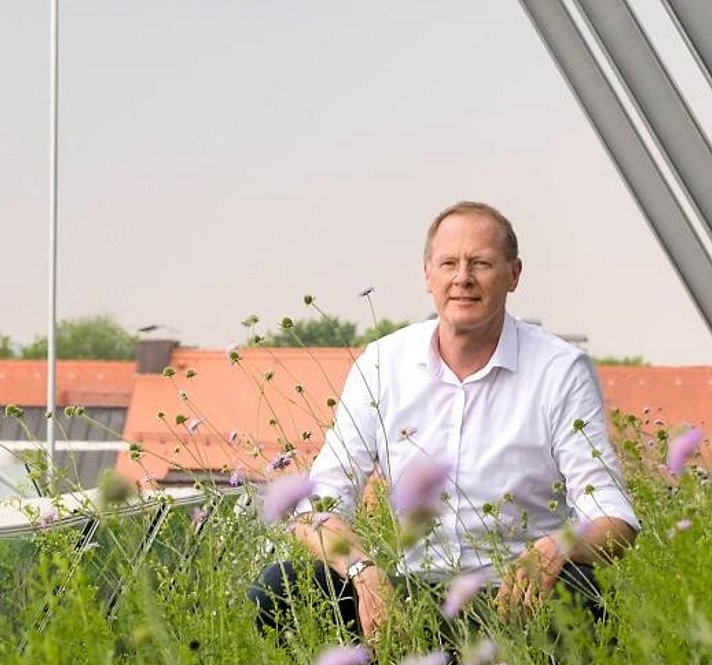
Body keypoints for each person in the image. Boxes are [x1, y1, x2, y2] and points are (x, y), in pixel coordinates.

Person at [249, 201, 640, 641]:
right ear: (427, 275)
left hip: (517, 598)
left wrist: (556, 547)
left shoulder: (560, 369)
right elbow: (318, 507)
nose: (463, 278)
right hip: (408, 597)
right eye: (449, 263)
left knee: (582, 590)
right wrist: (363, 573)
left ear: (514, 275)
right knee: (279, 587)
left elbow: (613, 516)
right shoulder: (382, 364)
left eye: (481, 263)